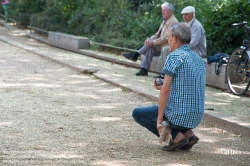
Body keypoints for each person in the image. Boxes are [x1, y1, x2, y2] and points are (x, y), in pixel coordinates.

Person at [132, 22, 206, 151]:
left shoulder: (174, 56)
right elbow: (186, 87)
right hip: (197, 117)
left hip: (179, 115)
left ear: (175, 38)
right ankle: (188, 133)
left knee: (138, 113)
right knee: (179, 109)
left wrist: (159, 121)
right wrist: (165, 86)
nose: (168, 40)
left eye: (168, 37)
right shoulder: (199, 59)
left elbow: (165, 90)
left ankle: (176, 136)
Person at [122, 2, 178, 76]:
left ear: (170, 11)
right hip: (162, 45)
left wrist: (153, 42)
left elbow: (166, 37)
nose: (162, 12)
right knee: (150, 49)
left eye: (164, 10)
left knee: (151, 45)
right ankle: (144, 70)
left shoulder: (173, 22)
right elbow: (158, 33)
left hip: (168, 46)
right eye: (162, 10)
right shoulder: (165, 20)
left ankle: (135, 55)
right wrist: (150, 39)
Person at [155, 6, 207, 78]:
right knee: (165, 49)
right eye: (183, 15)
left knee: (171, 52)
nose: (184, 16)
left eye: (186, 14)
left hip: (196, 51)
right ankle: (163, 73)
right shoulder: (185, 24)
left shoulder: (197, 26)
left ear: (192, 14)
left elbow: (193, 43)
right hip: (186, 48)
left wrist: (177, 48)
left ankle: (168, 75)